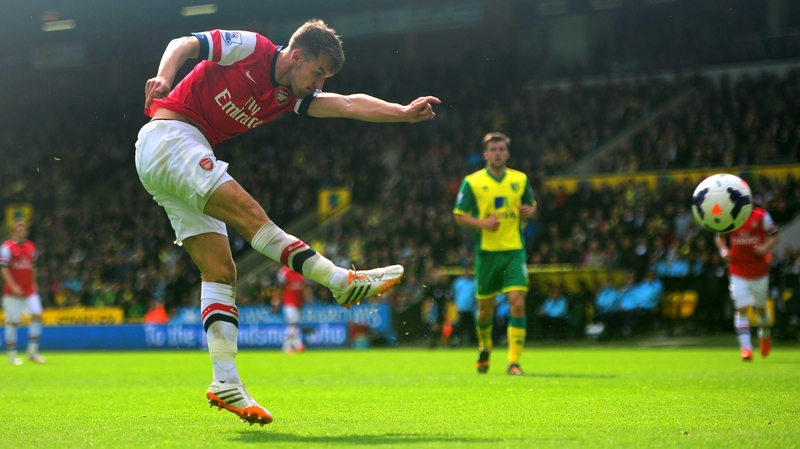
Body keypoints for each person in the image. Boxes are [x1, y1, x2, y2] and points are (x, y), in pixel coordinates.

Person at [137, 20, 439, 425]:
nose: (319, 84)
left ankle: (225, 380)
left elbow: (346, 104)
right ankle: (340, 281)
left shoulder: (289, 95)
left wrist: (402, 113)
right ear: (297, 56)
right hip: (172, 137)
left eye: (325, 78)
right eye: (318, 73)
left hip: (173, 155)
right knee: (252, 218)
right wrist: (163, 75)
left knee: (220, 271)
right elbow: (183, 43)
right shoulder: (252, 48)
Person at [453, 132, 536, 375]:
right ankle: (485, 346)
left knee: (517, 303)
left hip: (514, 251)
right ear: (485, 154)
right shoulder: (472, 182)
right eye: (493, 149)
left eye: (502, 149)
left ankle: (513, 362)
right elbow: (459, 215)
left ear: (508, 153)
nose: (498, 153)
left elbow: (532, 205)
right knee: (485, 311)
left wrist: (529, 210)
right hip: (487, 254)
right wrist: (483, 224)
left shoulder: (520, 180)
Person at [714, 206, 779, 361]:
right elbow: (719, 236)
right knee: (741, 308)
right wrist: (723, 250)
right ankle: (746, 349)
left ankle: (765, 335)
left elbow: (775, 235)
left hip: (759, 270)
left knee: (761, 309)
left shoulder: (761, 215)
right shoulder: (730, 214)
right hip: (738, 270)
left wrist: (765, 247)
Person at [1, 221, 46, 365]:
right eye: (18, 230)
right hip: (12, 292)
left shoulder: (31, 247)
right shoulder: (7, 247)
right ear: (14, 232)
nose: (21, 232)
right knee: (13, 323)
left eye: (23, 229)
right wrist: (13, 285)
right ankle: (12, 355)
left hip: (29, 290)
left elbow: (33, 268)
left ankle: (32, 352)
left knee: (38, 315)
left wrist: (34, 285)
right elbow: (3, 268)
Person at [276, 266, 311, 354]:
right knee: (293, 322)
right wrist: (277, 301)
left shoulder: (302, 272)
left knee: (293, 325)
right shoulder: (284, 273)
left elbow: (306, 287)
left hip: (298, 303)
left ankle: (286, 346)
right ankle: (297, 344)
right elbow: (280, 288)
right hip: (288, 302)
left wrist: (308, 297)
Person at [450, 266, 476, 347]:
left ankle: (472, 342)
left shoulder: (474, 282)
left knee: (471, 326)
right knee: (458, 326)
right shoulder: (458, 282)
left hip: (471, 309)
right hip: (460, 308)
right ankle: (456, 341)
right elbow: (454, 294)